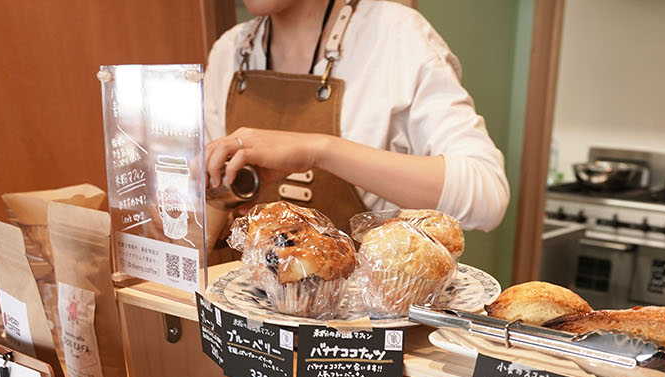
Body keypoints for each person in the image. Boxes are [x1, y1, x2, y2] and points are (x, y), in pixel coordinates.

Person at [203, 0, 510, 237]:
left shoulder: (397, 37)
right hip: (245, 316)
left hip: (368, 317)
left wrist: (320, 151)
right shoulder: (228, 52)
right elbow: (211, 204)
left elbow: (487, 194)